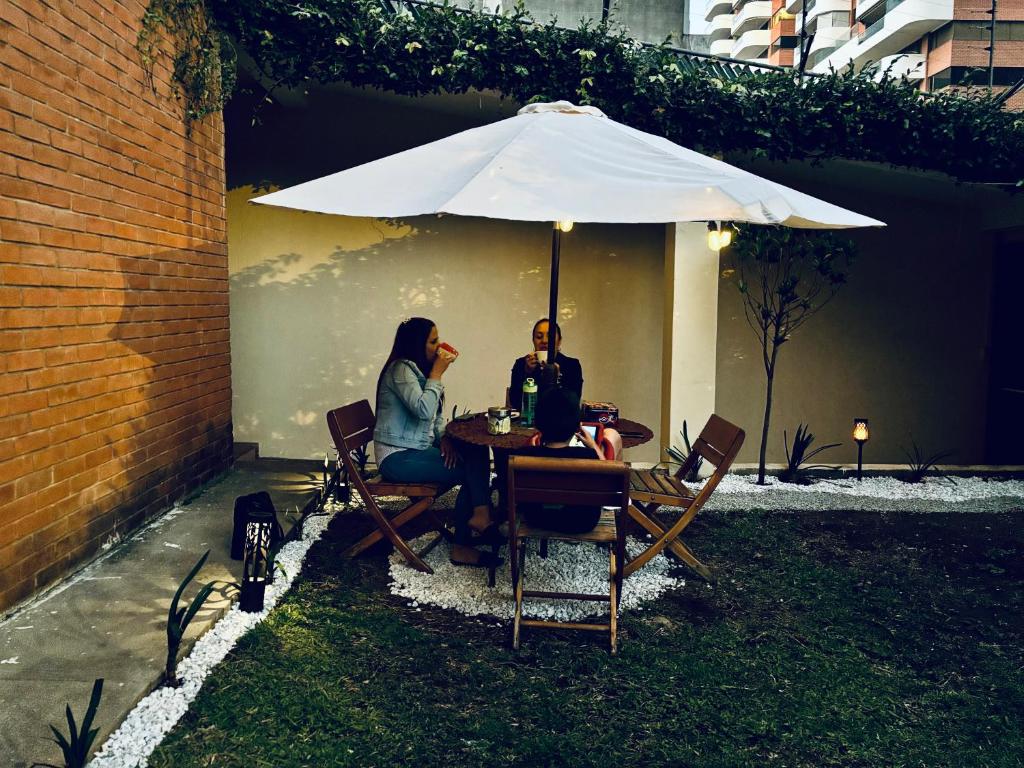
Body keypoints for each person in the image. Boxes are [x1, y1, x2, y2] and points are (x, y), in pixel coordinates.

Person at [374, 318, 501, 568]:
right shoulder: (400, 370)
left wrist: (445, 440)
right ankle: (467, 537)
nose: (440, 345)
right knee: (470, 471)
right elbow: (423, 409)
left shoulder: (419, 371)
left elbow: (435, 417)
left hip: (415, 450)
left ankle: (480, 515)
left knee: (475, 449)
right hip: (396, 458)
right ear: (416, 344)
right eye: (433, 341)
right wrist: (437, 374)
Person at [513, 386, 607, 534]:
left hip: (536, 519)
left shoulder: (522, 456)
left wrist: (533, 449)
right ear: (577, 426)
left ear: (538, 423)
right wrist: (594, 446)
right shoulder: (589, 457)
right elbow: (610, 477)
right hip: (583, 523)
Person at [508, 318, 583, 411]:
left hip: (560, 423)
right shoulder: (521, 364)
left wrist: (557, 379)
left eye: (550, 336)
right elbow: (515, 402)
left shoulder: (572, 365)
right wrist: (528, 374)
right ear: (533, 341)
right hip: (529, 421)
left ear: (559, 341)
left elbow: (572, 404)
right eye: (539, 337)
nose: (544, 341)